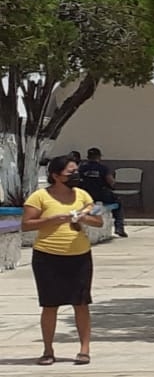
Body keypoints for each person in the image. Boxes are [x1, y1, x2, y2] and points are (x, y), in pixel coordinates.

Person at [21, 154, 104, 366]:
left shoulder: (82, 195)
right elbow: (27, 224)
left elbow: (98, 220)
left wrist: (82, 217)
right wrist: (49, 220)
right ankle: (48, 350)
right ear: (56, 175)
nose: (75, 175)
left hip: (80, 257)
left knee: (81, 303)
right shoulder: (40, 197)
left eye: (76, 171)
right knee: (50, 304)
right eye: (70, 172)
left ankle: (84, 349)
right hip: (47, 258)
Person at [77, 148, 126, 238]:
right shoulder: (103, 168)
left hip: (86, 195)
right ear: (99, 157)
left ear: (88, 157)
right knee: (118, 202)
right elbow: (110, 181)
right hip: (101, 194)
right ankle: (119, 228)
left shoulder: (82, 168)